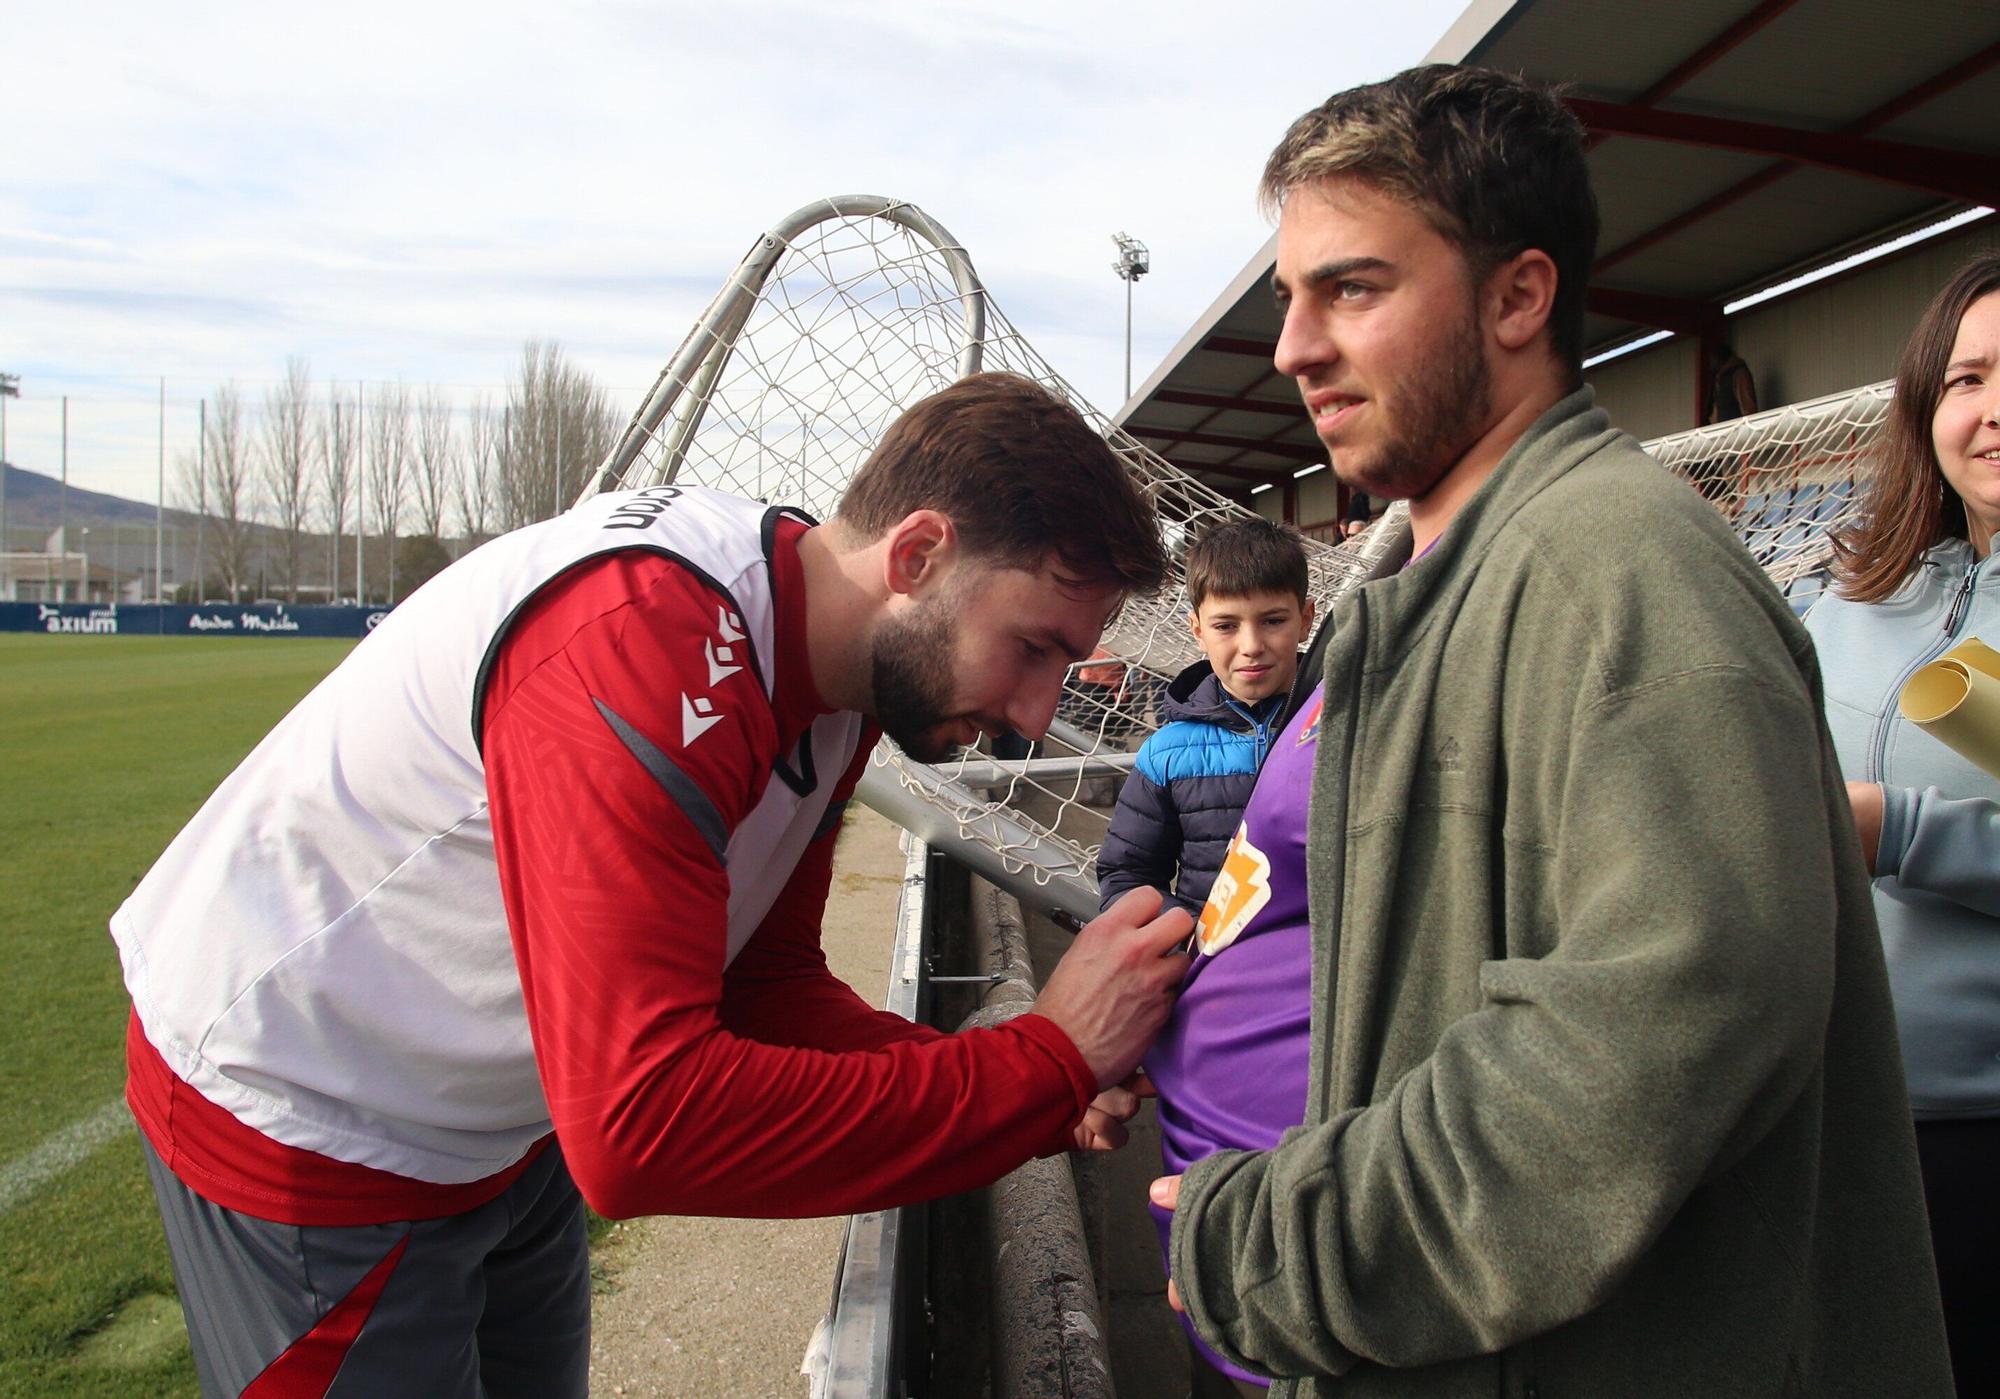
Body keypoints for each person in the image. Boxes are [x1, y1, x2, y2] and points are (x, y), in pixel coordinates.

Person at [112, 371, 1194, 1399]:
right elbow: (639, 1127)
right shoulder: (648, 639)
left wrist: (1020, 1084)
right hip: (308, 1116)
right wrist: (1037, 1065)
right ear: (915, 554)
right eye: (1031, 647)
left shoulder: (838, 672)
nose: (1035, 712)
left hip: (505, 1112)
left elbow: (758, 985)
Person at [1147, 64, 1953, 1397]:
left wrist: (1287, 1242)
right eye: (1292, 297)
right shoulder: (1421, 591)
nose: (1293, 347)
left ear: (1519, 295)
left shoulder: (1626, 574)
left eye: (1351, 288)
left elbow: (1650, 1040)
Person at [1804, 252, 2000, 1397]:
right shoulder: (1855, 597)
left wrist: (1904, 831)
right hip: (1834, 1109)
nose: (1991, 411)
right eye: (1967, 377)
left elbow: (1878, 821)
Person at [1096, 516, 1314, 919]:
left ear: (1305, 619)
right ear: (1197, 630)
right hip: (1217, 971)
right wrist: (1189, 943)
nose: (1251, 646)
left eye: (1273, 621)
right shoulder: (1167, 752)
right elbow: (1127, 873)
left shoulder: (1342, 725)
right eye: (1226, 626)